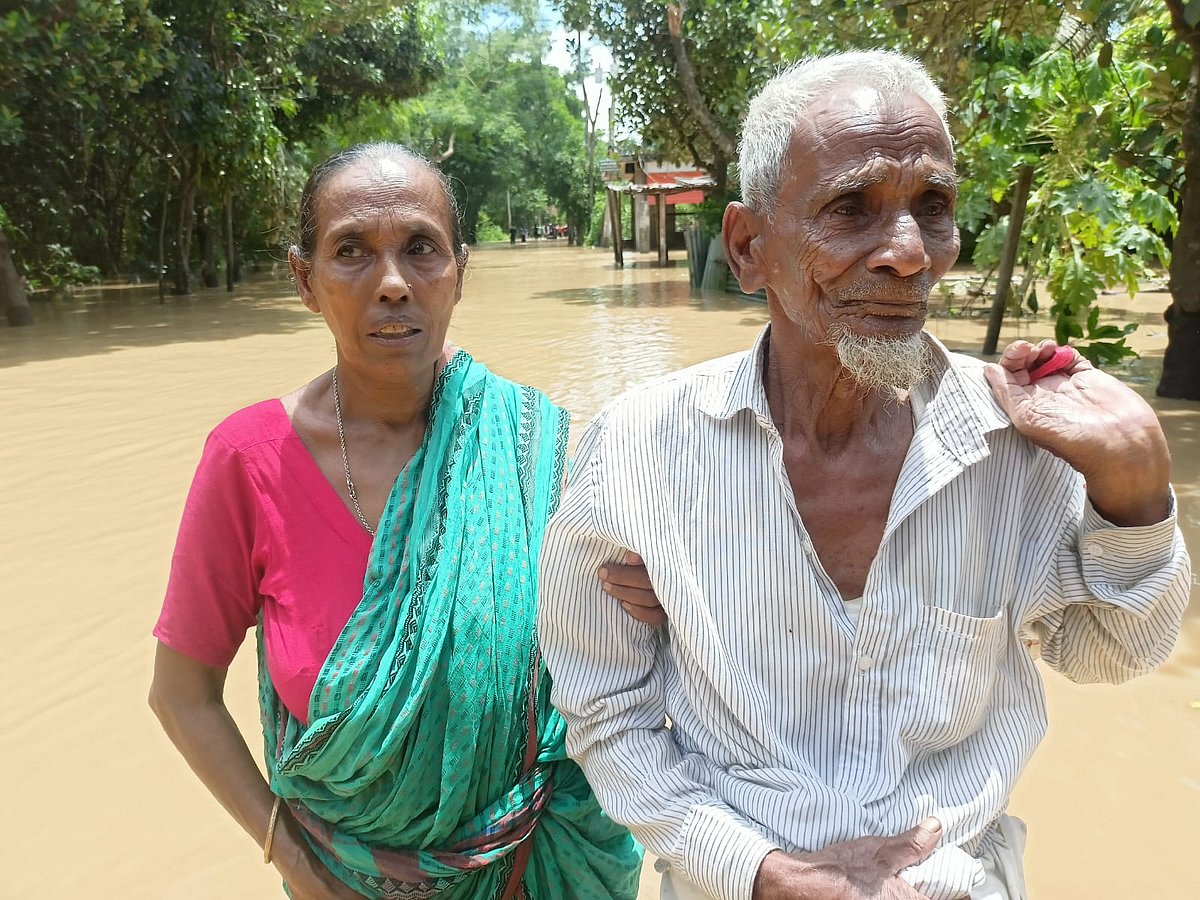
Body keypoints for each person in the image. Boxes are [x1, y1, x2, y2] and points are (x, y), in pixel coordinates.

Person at [537, 51, 1191, 900]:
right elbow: (605, 712)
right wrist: (759, 871)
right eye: (849, 208)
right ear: (747, 248)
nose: (910, 254)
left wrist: (1134, 494)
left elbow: (1113, 657)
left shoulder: (1014, 441)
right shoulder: (638, 453)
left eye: (934, 207)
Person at [148, 142, 648, 899]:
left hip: (531, 870)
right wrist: (288, 856)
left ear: (458, 271)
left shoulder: (527, 447)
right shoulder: (249, 461)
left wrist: (663, 602)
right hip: (337, 881)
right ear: (304, 279)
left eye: (421, 249)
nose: (391, 283)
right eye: (351, 252)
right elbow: (181, 695)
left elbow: (604, 669)